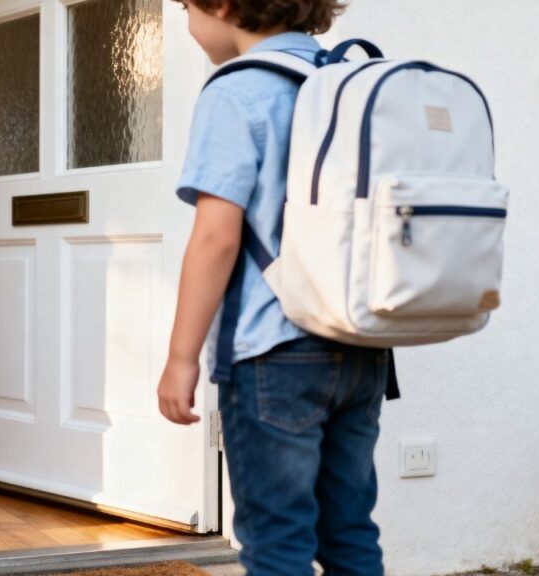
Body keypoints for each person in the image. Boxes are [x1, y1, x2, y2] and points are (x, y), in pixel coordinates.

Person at [158, 1, 390, 574]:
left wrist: (180, 358)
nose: (187, 24)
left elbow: (216, 239)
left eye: (185, 7)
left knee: (276, 541)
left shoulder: (236, 91)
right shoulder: (351, 80)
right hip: (362, 343)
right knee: (350, 532)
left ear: (221, 5)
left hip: (274, 351)